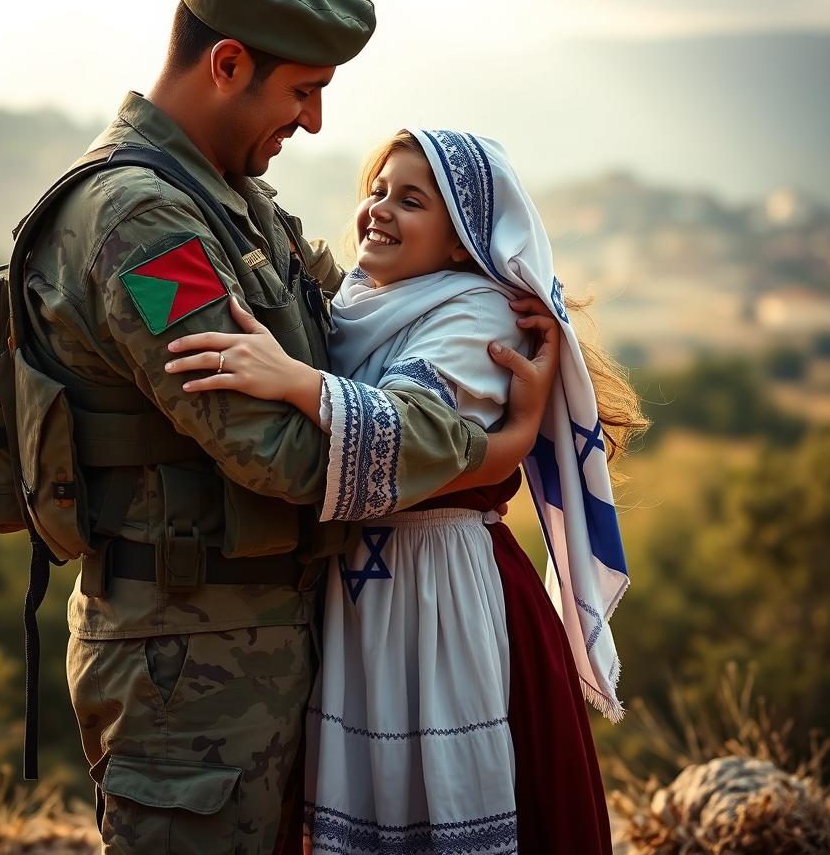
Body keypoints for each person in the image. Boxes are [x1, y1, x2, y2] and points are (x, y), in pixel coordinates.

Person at [20, 0, 554, 855]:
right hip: (190, 675)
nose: (311, 122)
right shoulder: (146, 229)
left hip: (261, 648)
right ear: (229, 64)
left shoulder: (235, 204)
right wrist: (498, 449)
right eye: (302, 90)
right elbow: (279, 452)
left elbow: (358, 338)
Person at [166, 128, 649, 853]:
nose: (379, 209)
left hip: (440, 595)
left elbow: (413, 433)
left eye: (410, 199)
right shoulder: (149, 223)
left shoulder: (476, 311)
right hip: (303, 603)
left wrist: (295, 381)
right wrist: (503, 449)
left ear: (463, 239)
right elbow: (176, 323)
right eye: (377, 191)